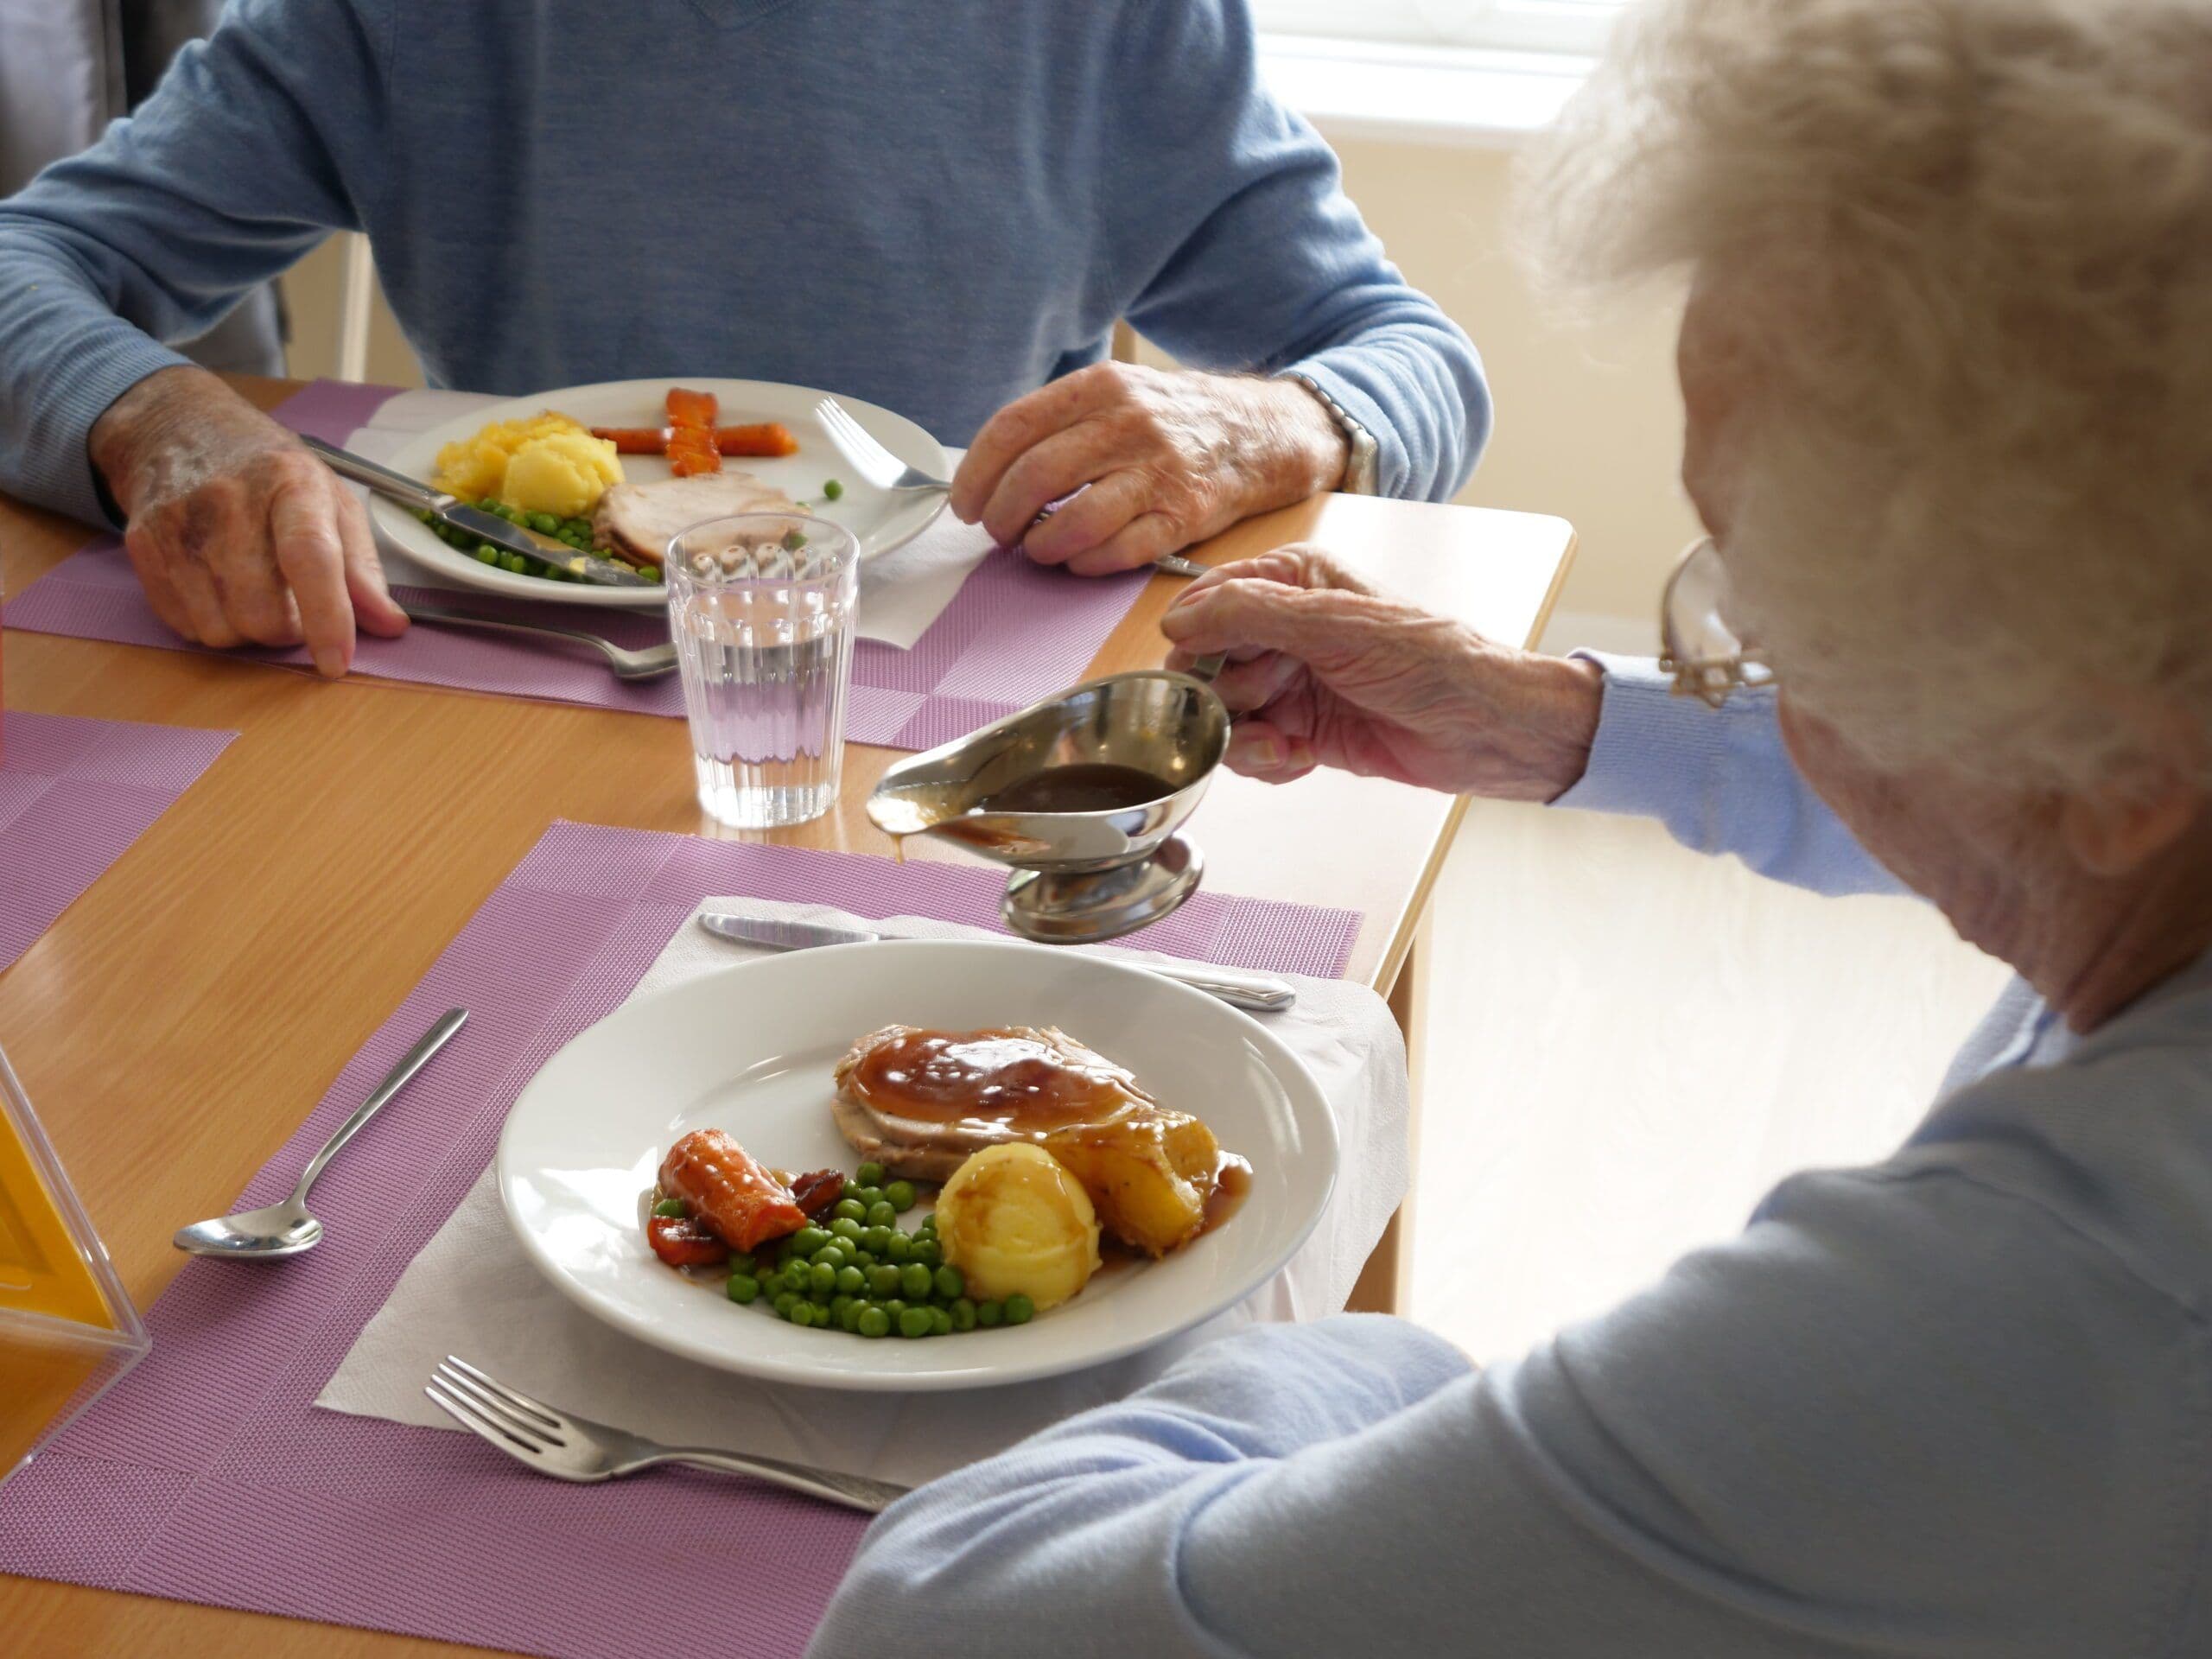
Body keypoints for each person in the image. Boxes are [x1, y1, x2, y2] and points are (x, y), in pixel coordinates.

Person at [808, 1, 2212, 1653]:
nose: (1727, 639)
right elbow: (2046, 797)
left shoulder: (2016, 1307)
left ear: (2113, 749)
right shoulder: (2149, 798)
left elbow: (934, 1626)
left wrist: (1372, 1364)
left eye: (1761, 594)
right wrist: (1554, 718)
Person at [0, 0, 1486, 681]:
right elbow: (29, 261)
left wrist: (1269, 423)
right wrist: (150, 410)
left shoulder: (1113, 24)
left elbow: (1406, 356)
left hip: (939, 710)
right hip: (488, 671)